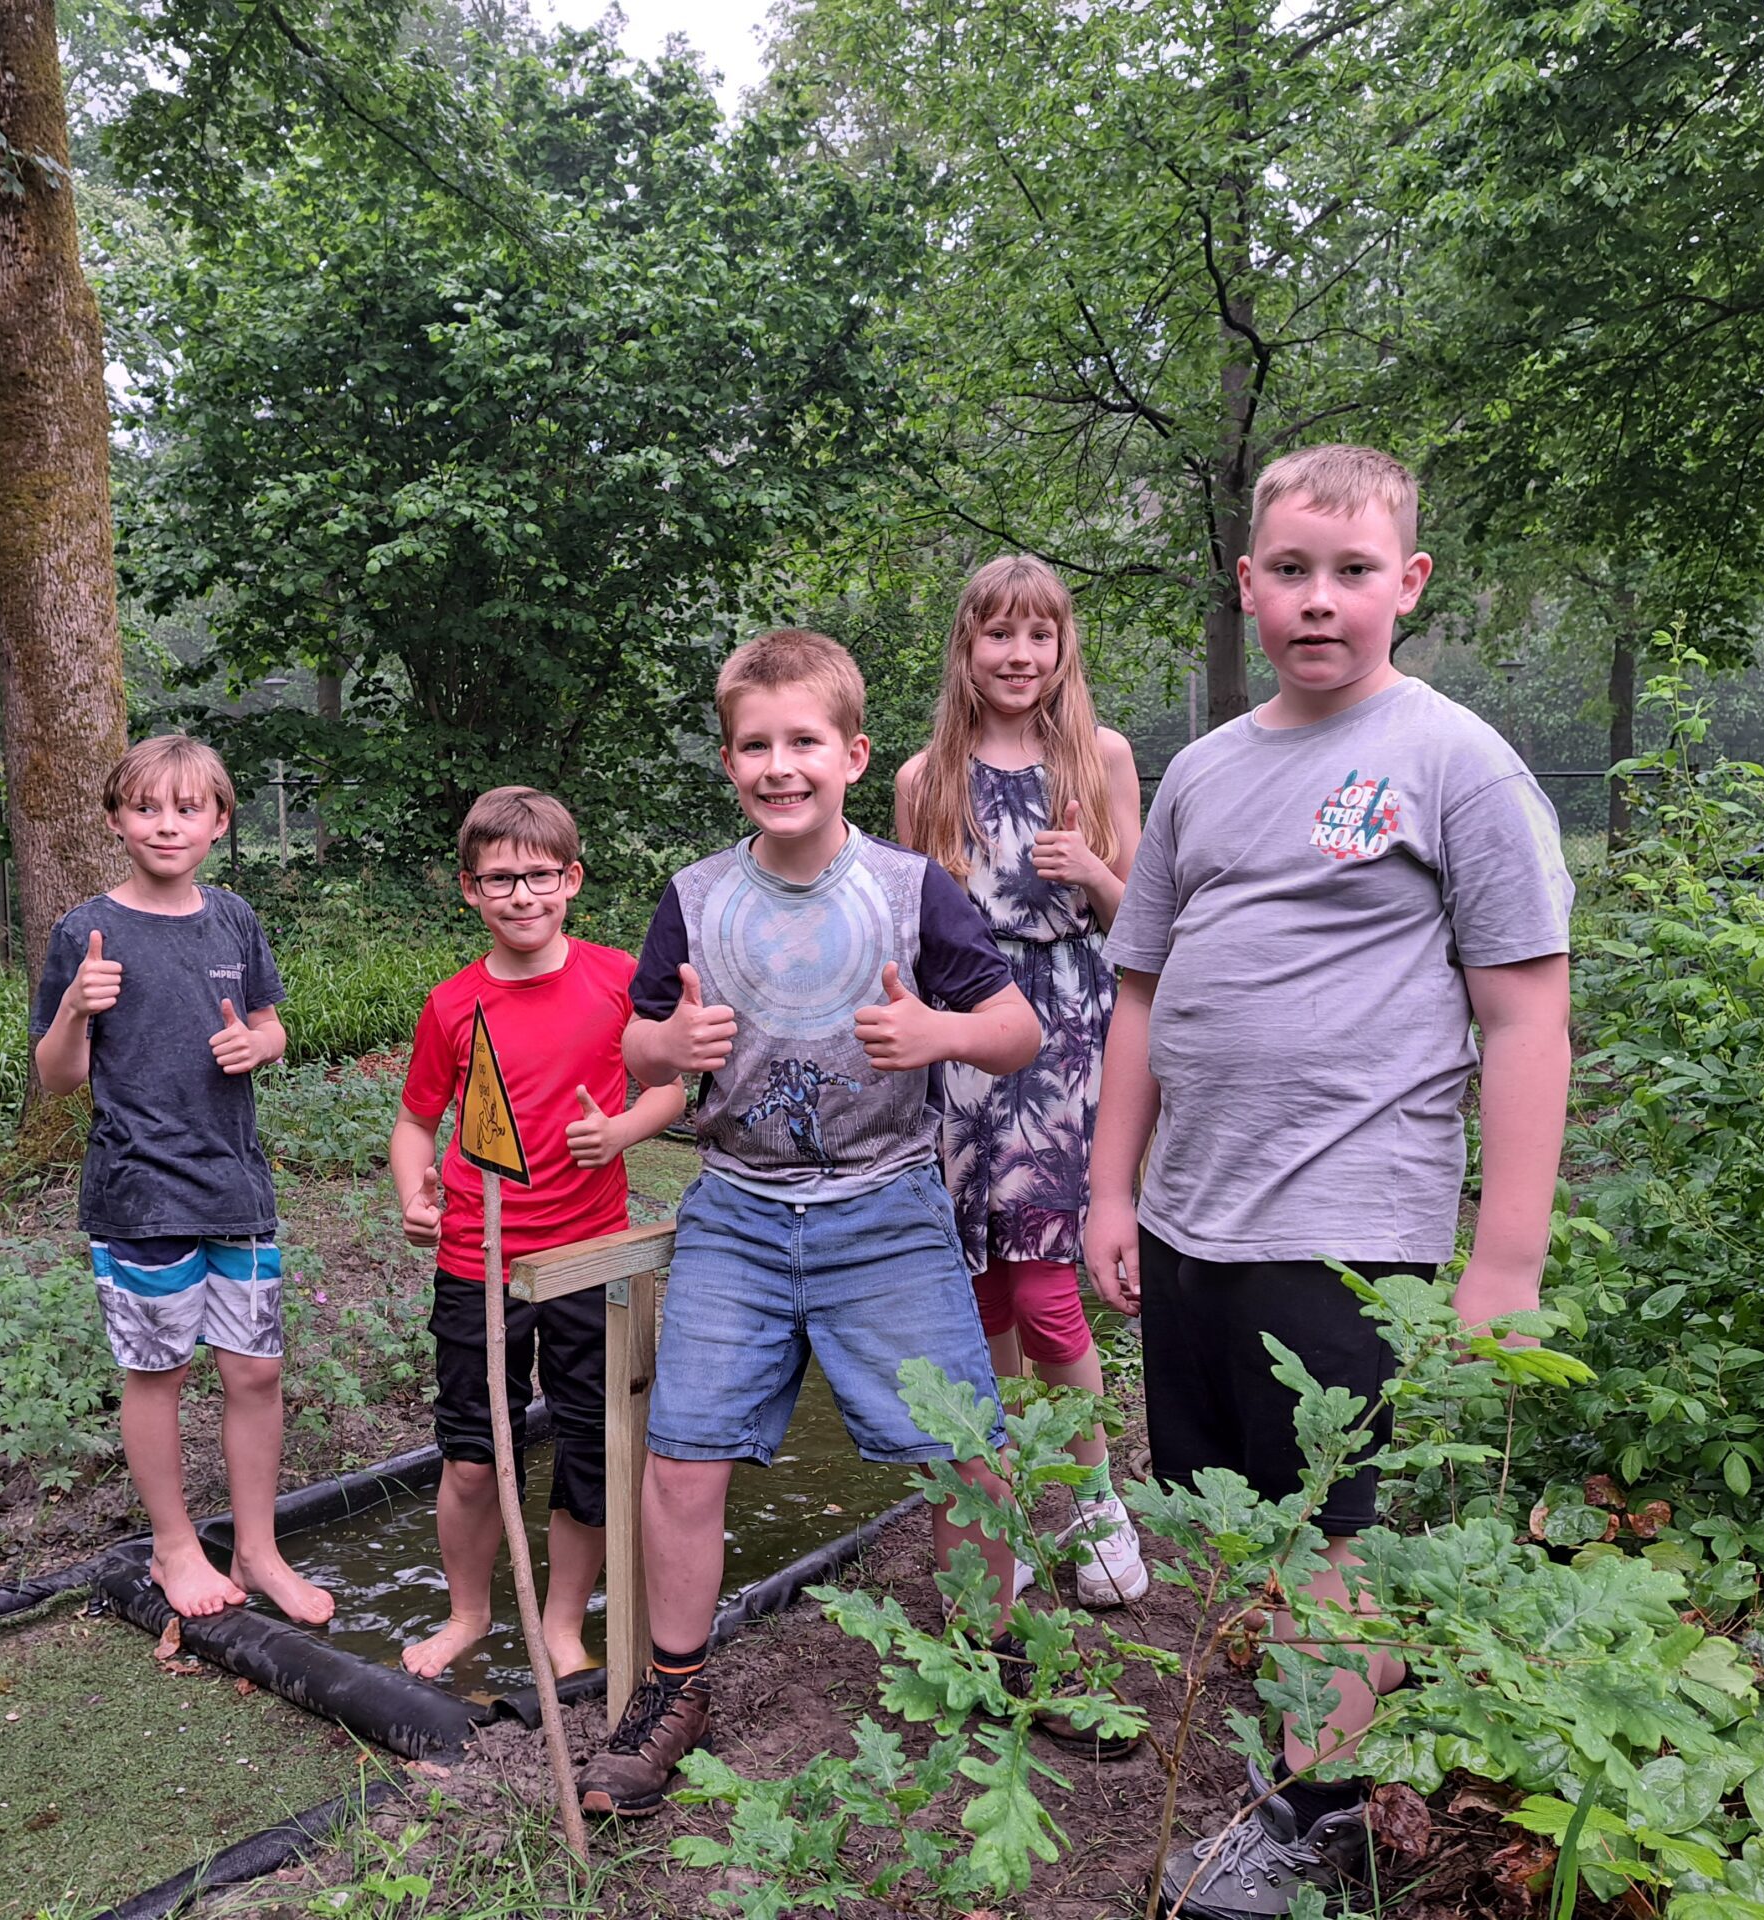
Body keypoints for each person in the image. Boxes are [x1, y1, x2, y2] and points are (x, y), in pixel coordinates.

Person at [1084, 445, 1574, 1919]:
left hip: (1347, 1227)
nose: (1317, 600)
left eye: (1352, 572)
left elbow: (1526, 1016)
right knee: (1236, 1518)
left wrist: (1509, 1258)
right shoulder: (1207, 775)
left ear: (1408, 586)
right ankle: (1312, 1749)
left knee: (1326, 1533)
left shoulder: (1453, 763)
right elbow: (1141, 996)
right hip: (1191, 1220)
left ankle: (1323, 1821)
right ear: (1247, 582)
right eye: (1289, 570)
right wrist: (1113, 1194)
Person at [572, 628, 1043, 1818]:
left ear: (851, 754)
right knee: (685, 1457)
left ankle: (988, 1661)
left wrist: (937, 1033)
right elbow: (635, 1042)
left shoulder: (906, 891)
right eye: (754, 746)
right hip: (735, 1209)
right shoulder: (695, 898)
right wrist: (664, 1049)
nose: (779, 765)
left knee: (965, 1456)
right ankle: (675, 1690)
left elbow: (1016, 1030)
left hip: (885, 1206)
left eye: (803, 743)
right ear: (730, 762)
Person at [30, 734, 335, 1627]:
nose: (168, 824)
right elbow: (56, 1077)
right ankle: (172, 1546)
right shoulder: (87, 932)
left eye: (188, 808)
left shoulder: (234, 919)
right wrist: (77, 1010)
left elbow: (274, 1027)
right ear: (117, 820)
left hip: (235, 1187)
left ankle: (257, 1548)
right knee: (156, 1370)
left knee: (257, 1371)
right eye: (148, 808)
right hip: (138, 1193)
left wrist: (259, 1044)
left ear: (219, 822)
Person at [894, 554, 1149, 1609]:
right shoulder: (923, 778)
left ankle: (1095, 1504)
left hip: (1066, 1050)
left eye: (1037, 635)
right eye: (998, 634)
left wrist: (1090, 874)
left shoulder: (1100, 758)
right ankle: (995, 1509)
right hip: (960, 1047)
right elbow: (904, 932)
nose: (1018, 654)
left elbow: (1144, 926)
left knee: (1046, 1291)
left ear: (1061, 649)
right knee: (979, 1288)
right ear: (967, 646)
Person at [388, 786, 686, 1682]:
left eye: (539, 876)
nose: (522, 895)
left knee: (591, 1450)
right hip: (475, 1262)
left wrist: (625, 1131)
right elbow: (415, 1124)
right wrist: (416, 1194)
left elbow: (670, 1087)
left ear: (573, 879)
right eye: (500, 879)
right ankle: (470, 1614)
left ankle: (562, 1625)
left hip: (589, 1258)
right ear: (469, 890)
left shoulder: (620, 979)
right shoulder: (452, 1005)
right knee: (476, 1457)